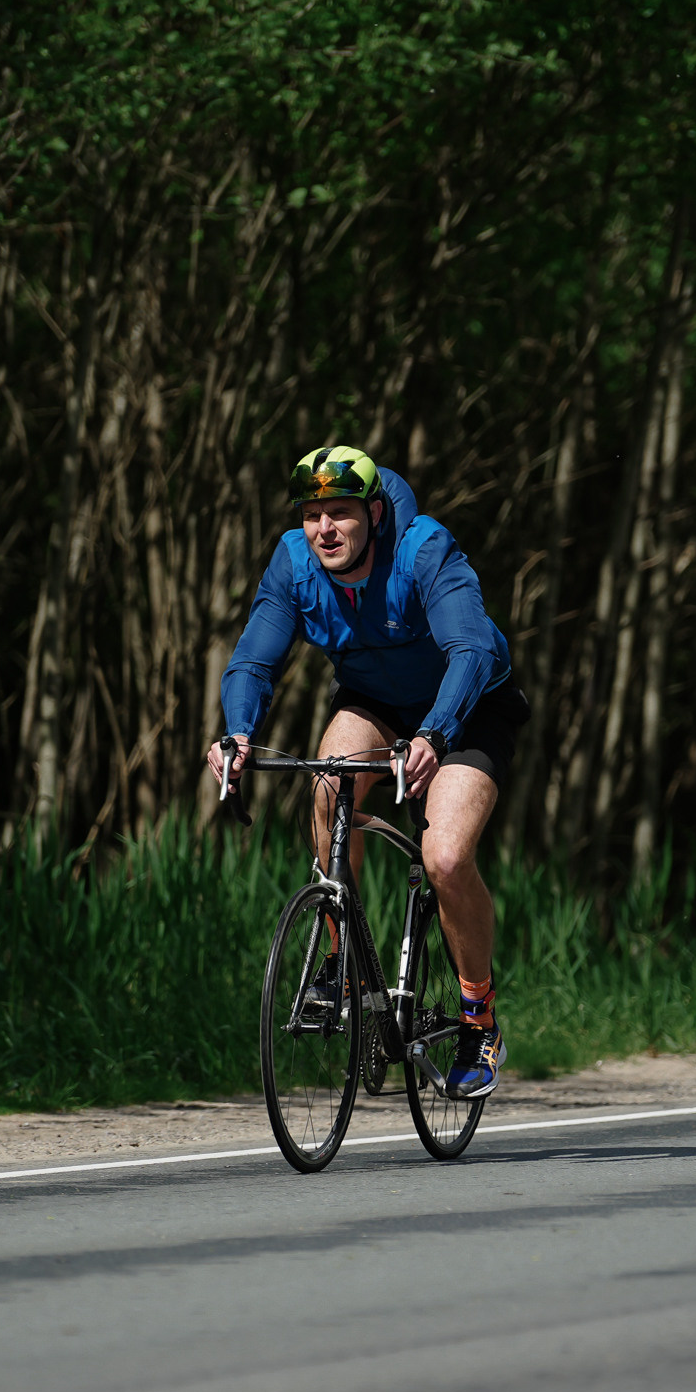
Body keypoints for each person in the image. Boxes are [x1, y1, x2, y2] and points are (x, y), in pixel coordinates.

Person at [207, 445, 526, 1098]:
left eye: (341, 513)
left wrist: (435, 734)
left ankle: (478, 1019)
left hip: (466, 707)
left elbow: (467, 649)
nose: (324, 528)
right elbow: (253, 662)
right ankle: (342, 964)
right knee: (329, 782)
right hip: (375, 703)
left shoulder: (424, 551)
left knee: (443, 857)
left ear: (374, 513)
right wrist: (238, 734)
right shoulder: (294, 563)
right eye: (312, 513)